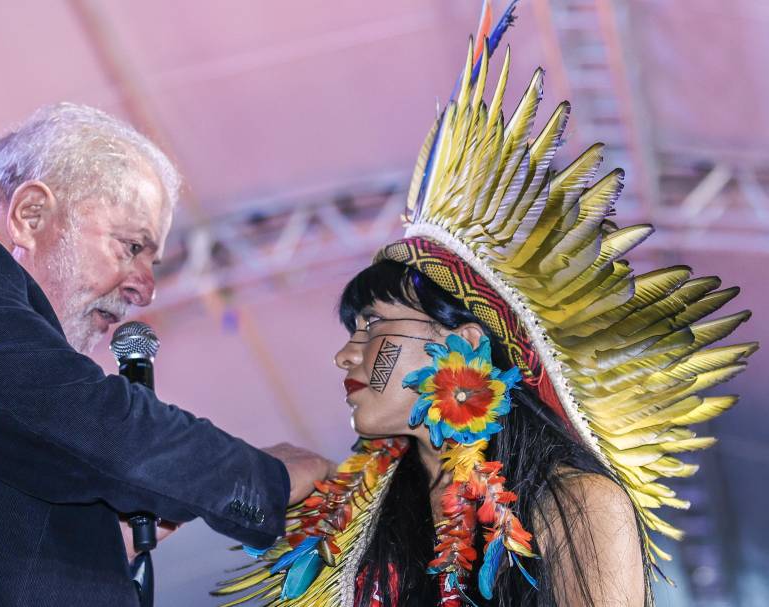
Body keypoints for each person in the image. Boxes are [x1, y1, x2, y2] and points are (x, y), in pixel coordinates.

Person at [214, 2, 755, 605]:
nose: (346, 355)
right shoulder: (344, 521)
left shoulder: (572, 501)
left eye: (373, 327)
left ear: (467, 342)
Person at [0, 102, 332, 607]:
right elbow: (69, 412)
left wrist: (93, 536)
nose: (146, 289)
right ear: (30, 215)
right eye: (132, 246)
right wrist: (259, 477)